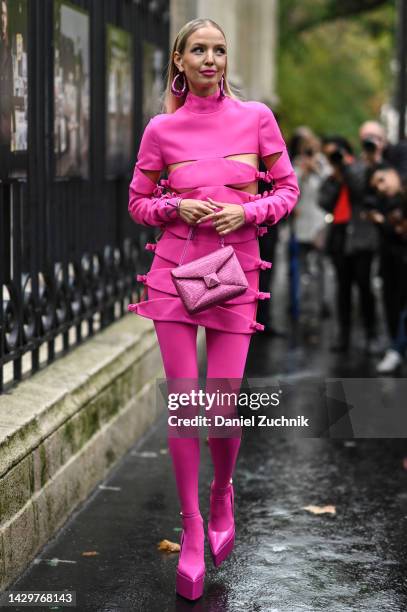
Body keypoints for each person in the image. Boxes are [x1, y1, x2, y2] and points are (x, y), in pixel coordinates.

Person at [127, 18, 300, 601]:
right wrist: (178, 207)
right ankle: (192, 528)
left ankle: (222, 493)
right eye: (198, 50)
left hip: (235, 274)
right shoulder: (161, 129)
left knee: (222, 405)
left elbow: (286, 189)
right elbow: (138, 201)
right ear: (179, 60)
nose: (211, 59)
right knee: (185, 404)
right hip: (174, 275)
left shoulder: (256, 119)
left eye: (219, 50)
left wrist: (246, 215)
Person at [318, 135, 379, 354]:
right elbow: (324, 202)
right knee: (342, 289)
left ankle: (371, 335)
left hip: (361, 235)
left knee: (364, 286)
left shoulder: (361, 168)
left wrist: (346, 169)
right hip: (340, 236)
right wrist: (335, 177)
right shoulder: (333, 176)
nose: (334, 158)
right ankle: (343, 335)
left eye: (336, 154)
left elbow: (361, 190)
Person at [366, 162, 407, 372]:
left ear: (393, 174)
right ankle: (396, 348)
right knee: (393, 306)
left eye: (382, 180)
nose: (380, 187)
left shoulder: (401, 196)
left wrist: (386, 223)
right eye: (376, 185)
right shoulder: (382, 201)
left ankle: (396, 350)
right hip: (391, 261)